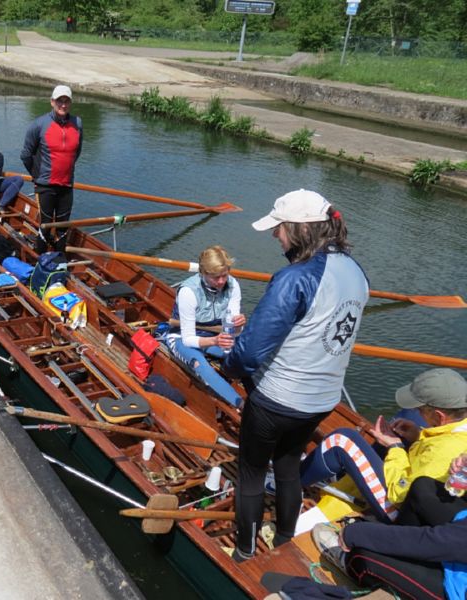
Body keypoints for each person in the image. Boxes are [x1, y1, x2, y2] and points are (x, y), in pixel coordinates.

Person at [222, 189, 369, 561]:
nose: (276, 236)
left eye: (280, 228)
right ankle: (285, 540)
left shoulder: (294, 278)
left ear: (302, 229)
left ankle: (243, 553)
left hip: (276, 400)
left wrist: (229, 368)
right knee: (288, 465)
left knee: (252, 473)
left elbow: (250, 351)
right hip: (321, 402)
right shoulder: (356, 271)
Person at [301, 368, 467, 523]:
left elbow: (400, 495)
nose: (418, 412)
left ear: (439, 416)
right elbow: (435, 449)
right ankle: (347, 476)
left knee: (343, 440)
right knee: (399, 425)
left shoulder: (445, 450)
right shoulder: (457, 433)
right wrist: (417, 436)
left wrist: (396, 448)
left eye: (421, 410)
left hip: (400, 511)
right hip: (412, 489)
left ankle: (287, 483)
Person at [312, 459, 467, 600]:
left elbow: (437, 542)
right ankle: (397, 551)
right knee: (424, 487)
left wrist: (355, 533)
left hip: (456, 588)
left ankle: (350, 562)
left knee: (363, 554)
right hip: (457, 541)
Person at [165, 245, 246, 408]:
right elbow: (188, 340)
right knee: (200, 365)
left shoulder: (232, 285)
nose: (222, 281)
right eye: (216, 277)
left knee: (246, 351)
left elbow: (233, 330)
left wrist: (239, 326)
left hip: (215, 335)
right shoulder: (188, 292)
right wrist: (214, 341)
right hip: (182, 337)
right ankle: (242, 405)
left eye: (224, 275)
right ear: (203, 273)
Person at [20, 84, 83, 254]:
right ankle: (41, 261)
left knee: (62, 227)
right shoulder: (39, 125)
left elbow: (76, 152)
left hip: (66, 185)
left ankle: (59, 263)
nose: (63, 105)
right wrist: (36, 175)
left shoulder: (78, 123)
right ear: (52, 102)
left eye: (66, 101)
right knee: (46, 227)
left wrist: (66, 169)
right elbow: (26, 155)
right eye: (59, 101)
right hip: (45, 185)